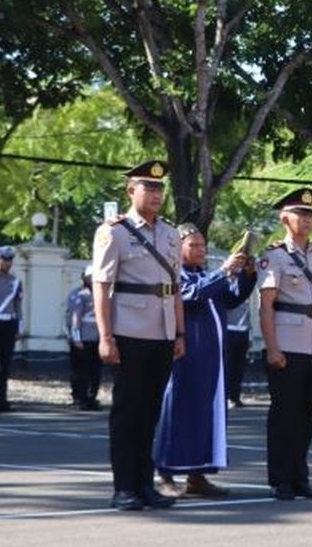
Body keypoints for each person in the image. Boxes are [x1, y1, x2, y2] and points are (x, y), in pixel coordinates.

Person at [90, 160, 186, 511]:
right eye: (149, 187)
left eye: (160, 188)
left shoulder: (171, 234)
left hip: (162, 333)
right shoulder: (114, 232)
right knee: (128, 412)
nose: (157, 194)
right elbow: (102, 287)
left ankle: (145, 484)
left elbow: (174, 288)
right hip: (128, 332)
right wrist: (105, 336)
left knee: (149, 413)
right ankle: (124, 487)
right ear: (131, 191)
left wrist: (179, 332)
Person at [154, 223, 257, 498]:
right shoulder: (175, 273)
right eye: (194, 246)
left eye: (203, 246)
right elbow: (193, 294)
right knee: (177, 410)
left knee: (205, 413)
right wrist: (224, 271)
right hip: (186, 354)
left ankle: (197, 475)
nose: (201, 250)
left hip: (211, 357)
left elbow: (231, 299)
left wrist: (247, 275)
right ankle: (164, 473)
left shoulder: (203, 274)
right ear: (179, 248)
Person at [258, 187, 312, 501]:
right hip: (287, 343)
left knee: (307, 413)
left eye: (309, 214)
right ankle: (281, 478)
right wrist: (272, 348)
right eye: (299, 214)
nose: (306, 219)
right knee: (285, 413)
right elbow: (266, 307)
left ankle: (300, 476)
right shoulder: (274, 256)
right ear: (284, 219)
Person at [0, 246, 23, 413]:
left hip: (9, 325)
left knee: (5, 365)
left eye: (9, 260)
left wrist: (19, 327)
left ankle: (1, 400)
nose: (7, 263)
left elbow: (18, 306)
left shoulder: (16, 282)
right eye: (4, 259)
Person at [66, 266, 102, 410]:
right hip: (83, 339)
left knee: (95, 371)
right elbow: (75, 317)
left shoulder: (102, 293)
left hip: (97, 339)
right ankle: (80, 397)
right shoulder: (79, 295)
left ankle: (92, 397)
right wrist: (76, 338)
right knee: (80, 371)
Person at [224, 280, 253, 409]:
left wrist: (250, 335)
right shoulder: (226, 286)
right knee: (228, 366)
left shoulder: (246, 289)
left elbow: (248, 314)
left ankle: (235, 396)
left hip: (243, 332)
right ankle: (227, 396)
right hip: (229, 330)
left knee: (239, 367)